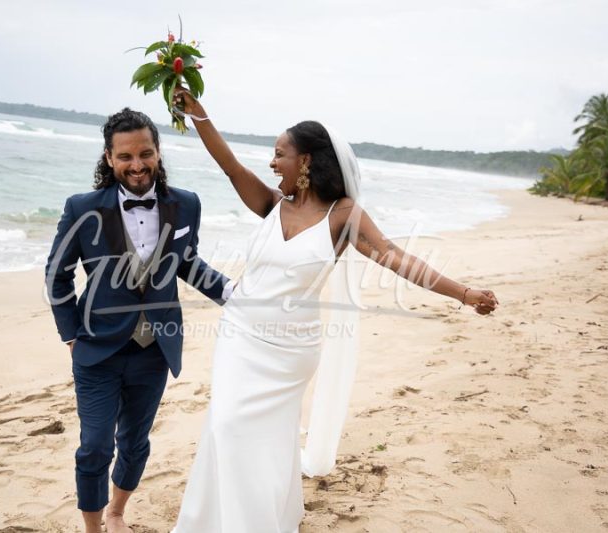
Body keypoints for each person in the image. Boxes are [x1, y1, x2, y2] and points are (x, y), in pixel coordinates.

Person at [169, 87, 499, 533]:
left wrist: (463, 293)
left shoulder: (342, 216)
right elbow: (230, 165)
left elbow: (395, 257)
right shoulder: (271, 205)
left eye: (280, 154)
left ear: (305, 161)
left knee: (267, 436)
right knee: (226, 426)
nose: (272, 163)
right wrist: (199, 115)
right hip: (239, 337)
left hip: (290, 351)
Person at [44, 108, 233, 533]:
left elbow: (187, 262)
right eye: (125, 156)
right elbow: (57, 275)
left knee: (134, 441)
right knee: (94, 446)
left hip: (154, 349)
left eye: (145, 154)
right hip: (97, 349)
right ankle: (93, 528)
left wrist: (234, 295)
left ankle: (116, 512)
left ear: (158, 152)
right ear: (109, 158)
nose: (137, 165)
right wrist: (71, 335)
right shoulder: (82, 208)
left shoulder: (186, 204)